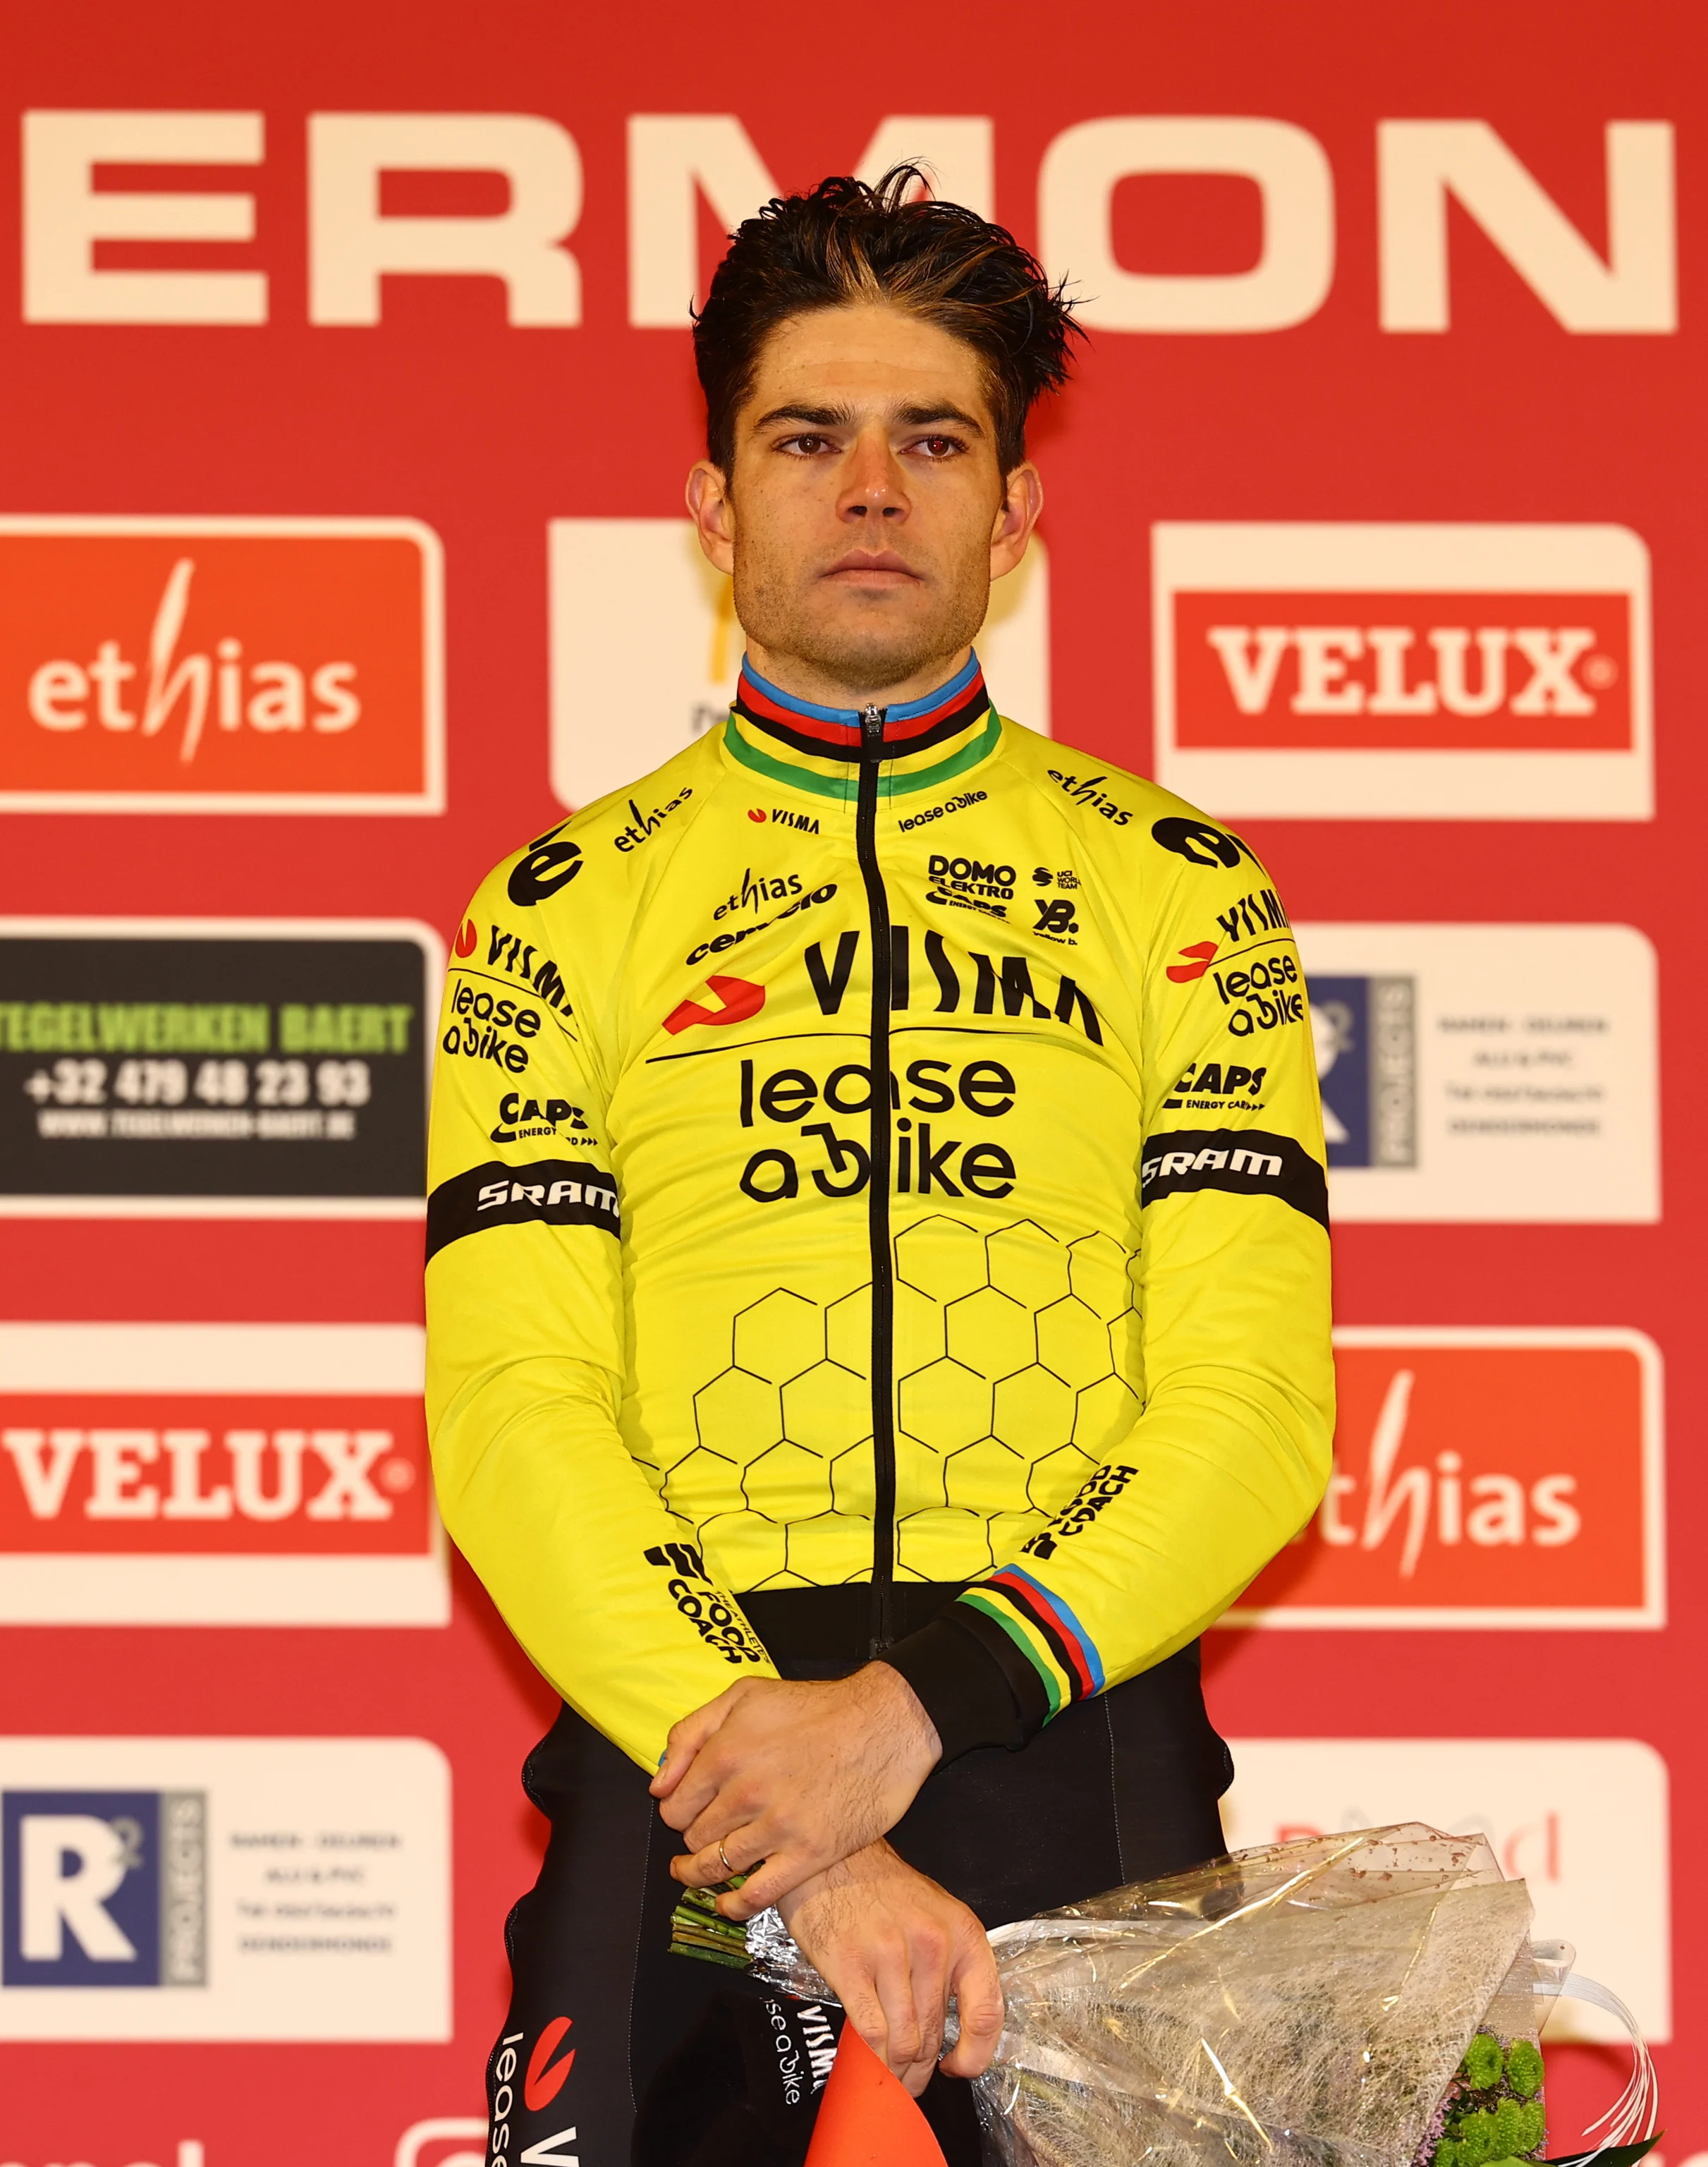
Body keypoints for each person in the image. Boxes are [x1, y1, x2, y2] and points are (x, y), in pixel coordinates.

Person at [425, 168, 1334, 2167]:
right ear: (711, 502)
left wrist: (908, 1712)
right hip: (689, 1751)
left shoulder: (1180, 892)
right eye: (804, 438)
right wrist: (793, 1828)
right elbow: (517, 1419)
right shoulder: (558, 912)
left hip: (1068, 1735)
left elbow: (1253, 1414)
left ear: (1010, 516)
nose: (867, 490)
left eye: (931, 441)